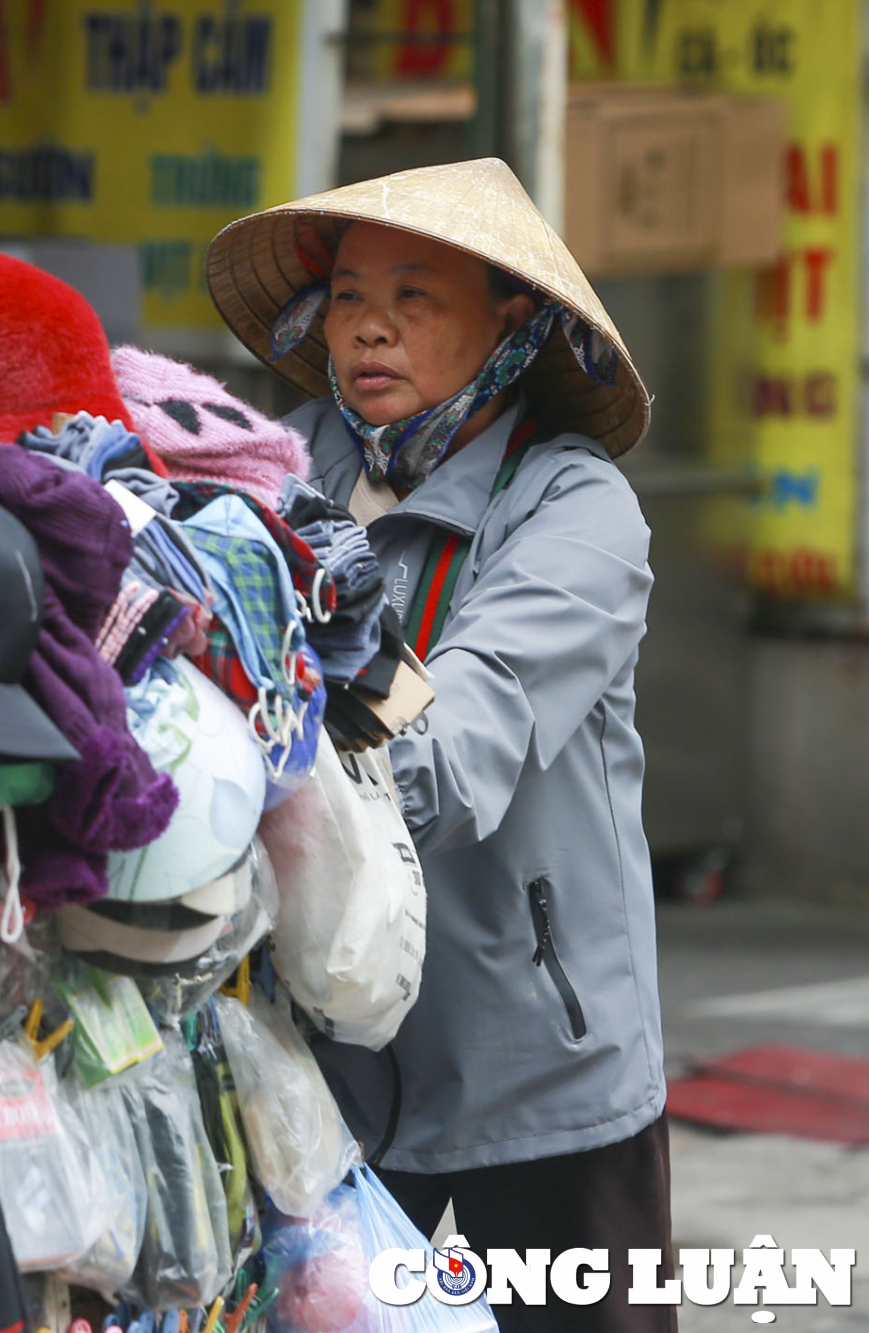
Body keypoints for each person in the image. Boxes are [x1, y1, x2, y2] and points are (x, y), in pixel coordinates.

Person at [206, 159, 669, 1332]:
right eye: (351, 292)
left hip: (540, 1068)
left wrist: (237, 777)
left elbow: (463, 742)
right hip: (332, 1065)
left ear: (511, 324)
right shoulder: (272, 474)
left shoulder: (573, 508)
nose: (367, 325)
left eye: (414, 296)